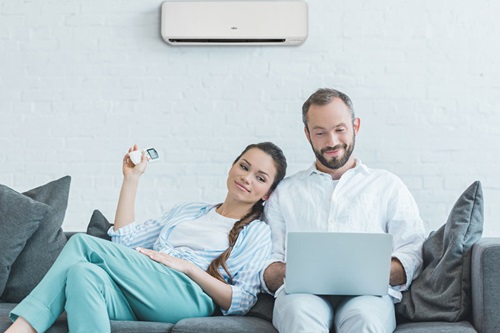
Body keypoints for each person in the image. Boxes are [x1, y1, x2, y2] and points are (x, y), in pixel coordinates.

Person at [6, 141, 287, 333]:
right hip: (149, 288)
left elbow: (243, 300)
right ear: (232, 166)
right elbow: (125, 242)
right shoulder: (188, 210)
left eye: (261, 178)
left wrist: (188, 268)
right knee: (82, 274)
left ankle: (23, 328)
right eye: (244, 166)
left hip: (189, 295)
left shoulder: (257, 232)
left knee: (81, 243)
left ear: (267, 193)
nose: (247, 178)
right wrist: (131, 179)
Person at [262, 88, 426, 333]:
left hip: (369, 295)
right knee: (298, 314)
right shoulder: (285, 192)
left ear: (355, 126)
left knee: (365, 319)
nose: (332, 142)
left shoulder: (388, 185)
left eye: (340, 129)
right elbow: (267, 263)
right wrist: (302, 272)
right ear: (307, 134)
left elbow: (412, 251)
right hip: (301, 295)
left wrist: (364, 271)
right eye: (320, 132)